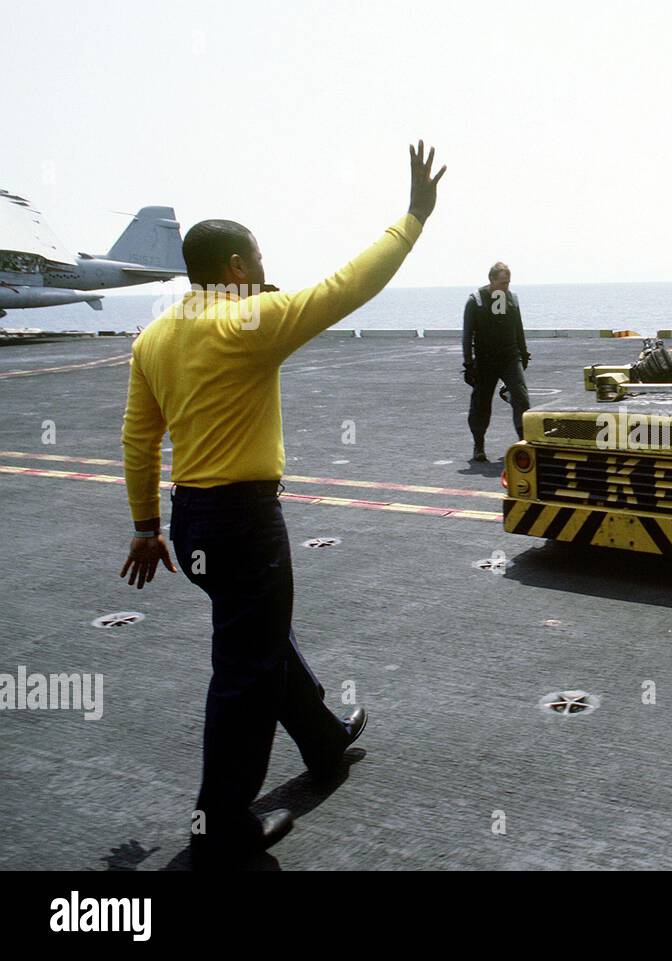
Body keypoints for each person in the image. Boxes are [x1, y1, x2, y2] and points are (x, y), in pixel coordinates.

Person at [118, 141, 446, 868]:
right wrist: (414, 218)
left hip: (189, 518)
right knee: (245, 671)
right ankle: (222, 828)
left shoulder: (154, 336)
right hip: (244, 520)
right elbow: (347, 286)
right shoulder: (249, 322)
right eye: (258, 258)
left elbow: (139, 439)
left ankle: (325, 739)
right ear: (236, 267)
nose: (265, 269)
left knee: (256, 640)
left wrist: (145, 526)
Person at [462, 262, 530, 461]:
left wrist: (524, 354)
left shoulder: (512, 299)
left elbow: (519, 329)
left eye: (508, 283)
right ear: (491, 280)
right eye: (502, 283)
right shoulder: (475, 301)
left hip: (510, 357)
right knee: (481, 404)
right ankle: (479, 446)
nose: (505, 287)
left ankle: (523, 442)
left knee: (521, 398)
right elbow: (467, 336)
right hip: (485, 360)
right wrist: (468, 364)